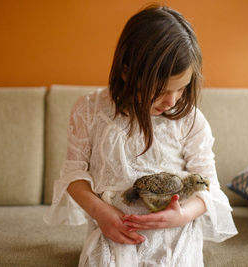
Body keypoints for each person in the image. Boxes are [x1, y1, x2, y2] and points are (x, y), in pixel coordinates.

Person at [44, 5, 238, 266]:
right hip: (113, 233)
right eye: (160, 90)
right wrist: (100, 212)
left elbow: (208, 186)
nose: (172, 100)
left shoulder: (190, 121)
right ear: (127, 71)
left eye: (181, 89)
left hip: (174, 236)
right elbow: (73, 175)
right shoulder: (89, 111)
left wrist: (181, 216)